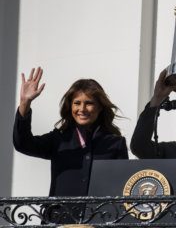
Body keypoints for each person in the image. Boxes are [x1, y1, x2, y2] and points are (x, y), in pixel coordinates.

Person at [13, 67, 128, 197]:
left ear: (100, 107)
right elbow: (22, 144)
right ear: (70, 106)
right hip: (59, 216)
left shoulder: (115, 143)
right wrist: (25, 103)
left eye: (89, 103)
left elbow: (122, 189)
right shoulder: (58, 139)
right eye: (77, 103)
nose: (82, 109)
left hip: (100, 216)